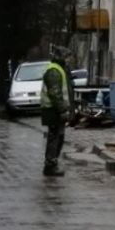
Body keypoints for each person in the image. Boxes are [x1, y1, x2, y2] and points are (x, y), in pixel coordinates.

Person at [41, 45, 74, 177]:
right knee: (54, 137)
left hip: (56, 109)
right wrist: (62, 110)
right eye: (67, 57)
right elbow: (55, 93)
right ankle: (50, 165)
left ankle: (52, 163)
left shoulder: (60, 69)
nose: (69, 60)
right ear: (61, 57)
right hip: (52, 110)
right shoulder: (54, 71)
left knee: (58, 137)